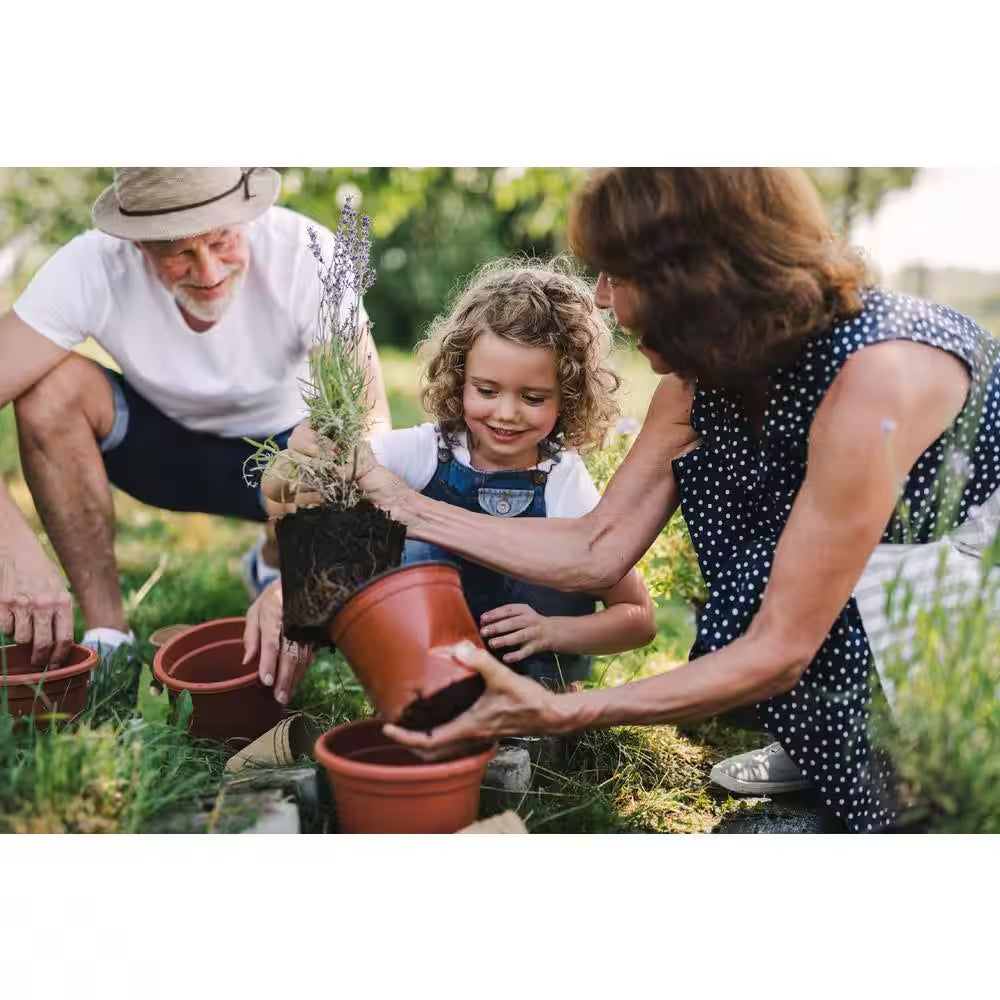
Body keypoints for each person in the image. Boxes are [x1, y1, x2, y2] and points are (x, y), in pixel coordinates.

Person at [277, 168, 1000, 834]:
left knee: (916, 815)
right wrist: (404, 506)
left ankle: (894, 756)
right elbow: (598, 548)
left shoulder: (876, 380)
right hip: (850, 567)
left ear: (697, 280)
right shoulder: (702, 376)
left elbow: (779, 648)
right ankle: (825, 745)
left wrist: (561, 709)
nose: (597, 298)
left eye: (617, 275)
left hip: (957, 597)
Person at [0, 167, 390, 679]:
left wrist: (305, 572)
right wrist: (11, 548)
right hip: (160, 452)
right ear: (137, 244)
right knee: (48, 391)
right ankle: (109, 636)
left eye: (222, 240)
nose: (207, 271)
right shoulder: (91, 264)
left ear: (247, 217)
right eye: (177, 252)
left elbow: (370, 426)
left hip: (282, 458)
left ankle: (273, 562)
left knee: (332, 447)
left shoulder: (306, 252)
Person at [252, 259, 657, 706]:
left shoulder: (562, 481)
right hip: (430, 672)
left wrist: (554, 631)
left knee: (556, 558)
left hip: (532, 688)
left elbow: (638, 617)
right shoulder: (428, 451)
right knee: (404, 543)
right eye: (486, 390)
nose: (506, 412)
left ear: (569, 397)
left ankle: (540, 715)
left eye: (533, 397)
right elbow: (283, 492)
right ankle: (419, 695)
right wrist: (296, 456)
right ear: (460, 379)